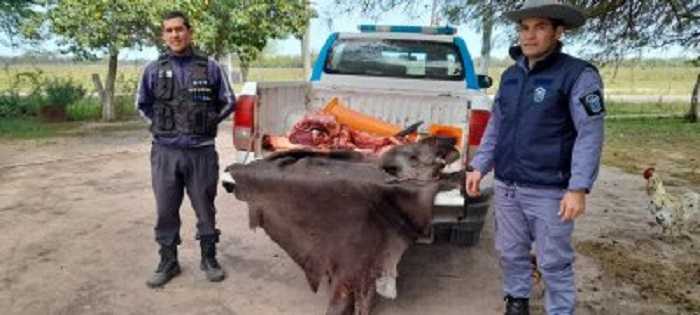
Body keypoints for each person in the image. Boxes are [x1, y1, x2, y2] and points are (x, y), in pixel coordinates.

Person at [465, 0, 605, 314]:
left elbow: (590, 133)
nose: (529, 36)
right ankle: (517, 302)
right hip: (508, 186)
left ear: (559, 31)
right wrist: (479, 165)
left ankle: (560, 310)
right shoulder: (511, 76)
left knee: (554, 261)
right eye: (524, 28)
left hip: (550, 190)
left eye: (540, 27)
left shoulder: (578, 75)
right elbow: (496, 127)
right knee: (510, 253)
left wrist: (578, 187)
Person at [137, 10, 235, 288]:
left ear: (189, 32)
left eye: (179, 29)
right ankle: (168, 261)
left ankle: (209, 258)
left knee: (205, 207)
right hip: (164, 153)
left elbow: (229, 100)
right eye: (168, 30)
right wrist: (158, 126)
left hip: (201, 152)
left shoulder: (211, 66)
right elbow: (141, 104)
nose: (174, 35)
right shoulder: (152, 69)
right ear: (163, 35)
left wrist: (208, 122)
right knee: (166, 209)